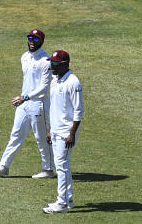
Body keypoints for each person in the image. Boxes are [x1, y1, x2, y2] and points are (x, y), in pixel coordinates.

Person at [0, 29, 55, 178]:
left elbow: (44, 87)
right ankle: (4, 166)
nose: (32, 42)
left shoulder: (46, 61)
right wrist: (24, 98)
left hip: (38, 105)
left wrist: (25, 97)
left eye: (36, 39)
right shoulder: (24, 57)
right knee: (16, 134)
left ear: (42, 41)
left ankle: (48, 169)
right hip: (24, 104)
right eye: (30, 38)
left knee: (41, 138)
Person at [42, 50, 83, 214]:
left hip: (66, 132)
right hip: (56, 130)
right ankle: (68, 199)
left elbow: (79, 111)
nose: (52, 66)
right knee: (63, 165)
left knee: (61, 167)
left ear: (65, 64)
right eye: (51, 62)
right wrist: (50, 129)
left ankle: (62, 203)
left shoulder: (73, 83)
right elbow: (55, 108)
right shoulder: (55, 80)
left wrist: (72, 134)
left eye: (55, 63)